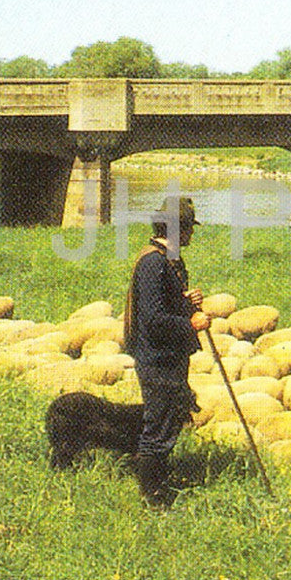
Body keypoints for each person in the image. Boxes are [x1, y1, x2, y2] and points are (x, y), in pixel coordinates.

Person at [123, 194, 208, 507]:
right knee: (158, 426)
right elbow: (154, 320)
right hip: (157, 359)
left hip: (169, 358)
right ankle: (153, 497)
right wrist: (193, 324)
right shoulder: (153, 264)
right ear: (177, 229)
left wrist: (187, 303)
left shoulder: (169, 260)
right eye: (189, 228)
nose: (193, 234)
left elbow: (166, 306)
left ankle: (160, 484)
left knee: (169, 421)